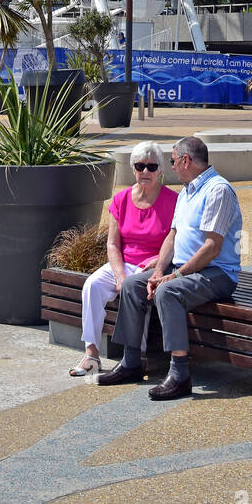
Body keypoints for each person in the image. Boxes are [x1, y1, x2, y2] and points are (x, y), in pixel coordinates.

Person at [98, 136, 241, 401]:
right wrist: (157, 271)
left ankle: (180, 374)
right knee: (131, 285)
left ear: (186, 161)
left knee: (168, 292)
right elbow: (173, 236)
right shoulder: (188, 190)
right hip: (186, 269)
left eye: (173, 161)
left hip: (217, 273)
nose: (172, 167)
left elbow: (212, 248)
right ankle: (131, 362)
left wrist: (173, 276)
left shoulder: (217, 190)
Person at [69, 142, 178, 377]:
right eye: (140, 166)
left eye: (152, 166)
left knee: (137, 289)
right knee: (92, 285)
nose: (146, 172)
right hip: (123, 261)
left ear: (161, 170)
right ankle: (91, 354)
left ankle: (137, 357)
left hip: (152, 264)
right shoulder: (121, 199)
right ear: (133, 168)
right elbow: (112, 244)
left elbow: (178, 241)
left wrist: (158, 261)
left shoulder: (174, 201)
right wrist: (119, 274)